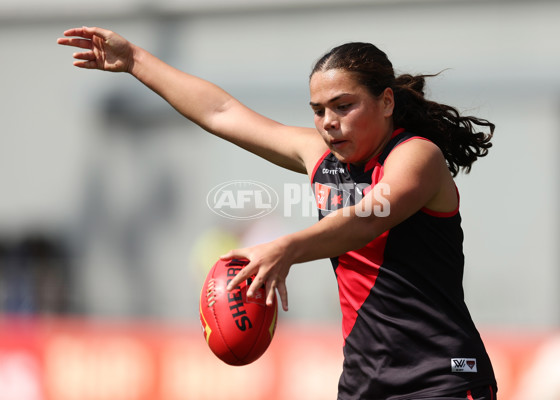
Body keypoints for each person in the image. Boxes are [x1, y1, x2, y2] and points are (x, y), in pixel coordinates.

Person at [58, 26, 497, 399]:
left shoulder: (416, 156)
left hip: (444, 378)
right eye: (319, 110)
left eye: (344, 105)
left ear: (386, 102)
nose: (328, 121)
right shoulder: (321, 157)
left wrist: (286, 247)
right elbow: (221, 112)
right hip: (365, 384)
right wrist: (135, 59)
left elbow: (369, 216)